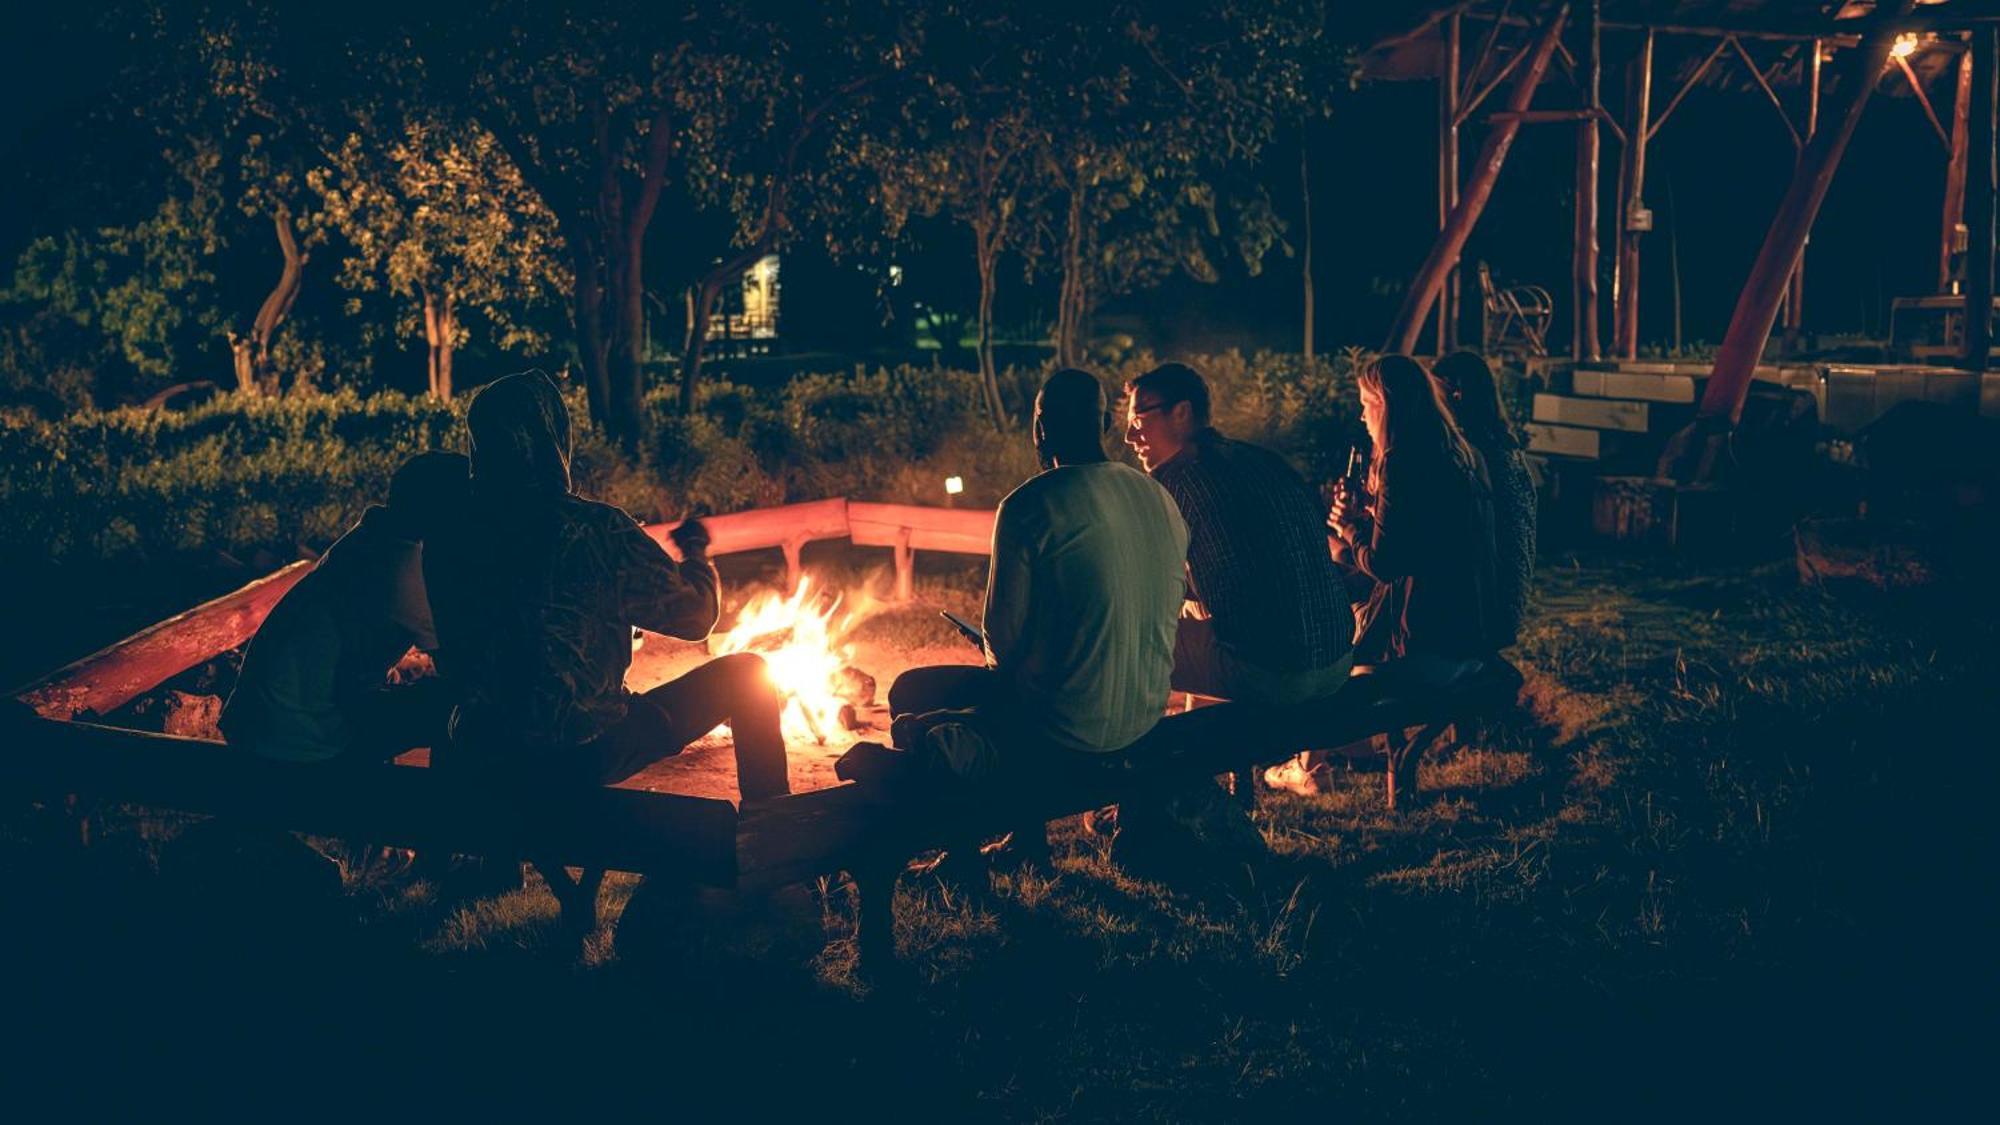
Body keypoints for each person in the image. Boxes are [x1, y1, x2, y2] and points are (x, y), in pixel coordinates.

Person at [422, 370, 789, 802]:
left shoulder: (448, 534)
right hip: (580, 752)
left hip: (480, 750)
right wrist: (696, 555)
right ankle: (774, 836)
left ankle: (498, 868)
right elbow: (695, 617)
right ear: (553, 440)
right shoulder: (596, 531)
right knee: (748, 674)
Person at [871, 368, 1188, 863]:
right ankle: (1025, 842)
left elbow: (1002, 644)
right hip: (1145, 713)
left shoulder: (1028, 505)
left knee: (911, 692)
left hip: (1066, 731)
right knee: (1028, 686)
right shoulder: (1158, 497)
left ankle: (963, 858)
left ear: (1039, 429)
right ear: (1105, 422)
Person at [1122, 361, 1355, 705]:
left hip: (1273, 674)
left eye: (1139, 420)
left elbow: (1150, 585)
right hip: (1337, 660)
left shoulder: (1175, 481)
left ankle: (1129, 751)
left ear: (1182, 412)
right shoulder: (1259, 459)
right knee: (1198, 615)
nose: (1130, 437)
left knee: (1126, 638)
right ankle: (1212, 749)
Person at [220, 451, 469, 765]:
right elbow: (459, 667)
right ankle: (445, 809)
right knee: (455, 706)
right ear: (443, 511)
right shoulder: (399, 566)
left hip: (261, 720)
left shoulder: (368, 539)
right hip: (297, 736)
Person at [1328, 354, 1504, 684]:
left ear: (1385, 404)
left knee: (1332, 567)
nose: (1362, 415)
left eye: (1366, 403)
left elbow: (1384, 564)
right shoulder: (1457, 451)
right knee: (1339, 556)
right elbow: (1419, 536)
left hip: (1428, 644)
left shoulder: (1401, 461)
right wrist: (1371, 510)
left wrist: (1350, 528)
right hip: (1472, 634)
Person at [1431, 350, 1535, 647]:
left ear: (1457, 392)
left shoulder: (1476, 455)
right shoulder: (1502, 445)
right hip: (1510, 589)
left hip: (1491, 594)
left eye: (1434, 391)